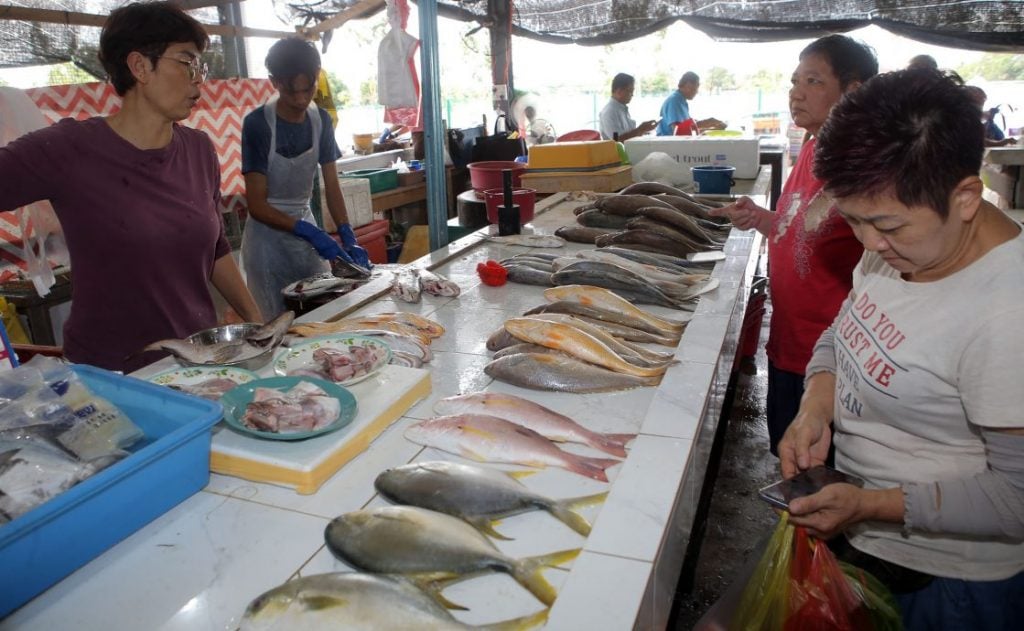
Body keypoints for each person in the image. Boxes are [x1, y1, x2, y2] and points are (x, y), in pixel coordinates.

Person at [779, 68, 1024, 630]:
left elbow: (1015, 500)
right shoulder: (905, 243)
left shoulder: (1006, 313)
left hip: (950, 585)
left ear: (965, 196)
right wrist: (817, 406)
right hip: (868, 546)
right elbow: (842, 334)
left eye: (884, 225)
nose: (868, 243)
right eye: (854, 221)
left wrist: (871, 504)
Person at [0, 1, 261, 373]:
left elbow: (216, 245)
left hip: (198, 361)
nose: (199, 79)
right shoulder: (69, 148)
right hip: (112, 373)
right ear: (139, 66)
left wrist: (257, 325)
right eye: (187, 63)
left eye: (201, 66)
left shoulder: (199, 149)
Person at [708, 35, 877, 456]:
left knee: (825, 471)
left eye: (814, 81)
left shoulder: (865, 166)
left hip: (835, 360)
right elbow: (800, 228)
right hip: (788, 344)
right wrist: (761, 219)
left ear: (853, 90)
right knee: (787, 453)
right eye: (794, 81)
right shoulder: (812, 145)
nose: (796, 93)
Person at [241, 37, 371, 319]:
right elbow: (257, 205)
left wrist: (348, 233)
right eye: (291, 91)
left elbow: (332, 185)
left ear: (317, 76)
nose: (301, 99)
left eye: (308, 88)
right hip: (267, 241)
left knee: (324, 314)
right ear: (274, 82)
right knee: (276, 324)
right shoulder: (257, 125)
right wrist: (308, 231)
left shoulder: (320, 120)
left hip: (304, 226)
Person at [655, 72, 725, 136]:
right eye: (696, 88)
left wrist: (711, 127)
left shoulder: (681, 100)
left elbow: (688, 128)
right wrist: (709, 124)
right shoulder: (675, 101)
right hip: (669, 145)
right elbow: (678, 132)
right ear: (688, 85)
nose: (696, 92)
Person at [598, 73, 657, 141]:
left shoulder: (621, 109)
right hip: (617, 151)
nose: (632, 95)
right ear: (619, 91)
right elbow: (617, 139)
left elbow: (629, 134)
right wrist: (640, 129)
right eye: (630, 91)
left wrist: (644, 130)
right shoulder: (609, 112)